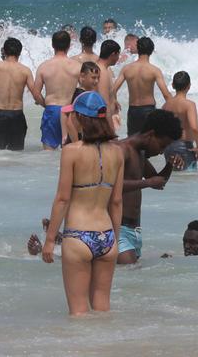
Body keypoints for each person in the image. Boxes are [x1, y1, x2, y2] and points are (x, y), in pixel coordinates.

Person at [41, 91, 124, 316]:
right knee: (103, 311)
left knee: (79, 315)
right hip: (107, 237)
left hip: (78, 236)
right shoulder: (117, 153)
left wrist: (49, 240)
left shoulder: (71, 152)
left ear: (79, 118)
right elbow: (116, 202)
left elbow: (63, 198)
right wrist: (115, 240)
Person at [117, 109, 183, 264]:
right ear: (151, 134)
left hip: (134, 230)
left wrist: (170, 166)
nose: (161, 152)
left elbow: (158, 182)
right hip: (117, 228)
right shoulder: (122, 150)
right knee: (131, 277)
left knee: (134, 278)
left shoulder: (139, 153)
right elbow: (108, 184)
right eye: (162, 145)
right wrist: (147, 183)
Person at [0, 37, 44, 150]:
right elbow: (35, 94)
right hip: (17, 116)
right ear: (20, 52)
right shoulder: (25, 70)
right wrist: (45, 104)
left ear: (4, 51)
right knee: (16, 153)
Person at [113, 37, 172, 135]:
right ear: (151, 51)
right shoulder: (154, 70)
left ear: (138, 49)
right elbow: (166, 95)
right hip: (148, 110)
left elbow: (113, 89)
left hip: (133, 110)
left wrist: (115, 101)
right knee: (150, 143)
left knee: (133, 144)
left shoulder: (126, 69)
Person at [34, 30, 82, 150]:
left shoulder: (44, 66)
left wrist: (46, 104)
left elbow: (36, 93)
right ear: (69, 45)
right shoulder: (77, 66)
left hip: (51, 110)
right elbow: (85, 89)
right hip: (70, 111)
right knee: (71, 151)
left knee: (49, 152)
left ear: (52, 45)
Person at [161, 71, 198, 171]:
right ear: (189, 86)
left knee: (175, 178)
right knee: (189, 179)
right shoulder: (189, 105)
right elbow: (194, 128)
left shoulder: (166, 105)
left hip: (169, 147)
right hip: (184, 147)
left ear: (173, 85)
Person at [96, 40, 122, 131]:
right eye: (118, 55)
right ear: (113, 54)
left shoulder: (102, 69)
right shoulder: (102, 72)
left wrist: (113, 99)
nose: (118, 58)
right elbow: (104, 104)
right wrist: (111, 131)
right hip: (103, 124)